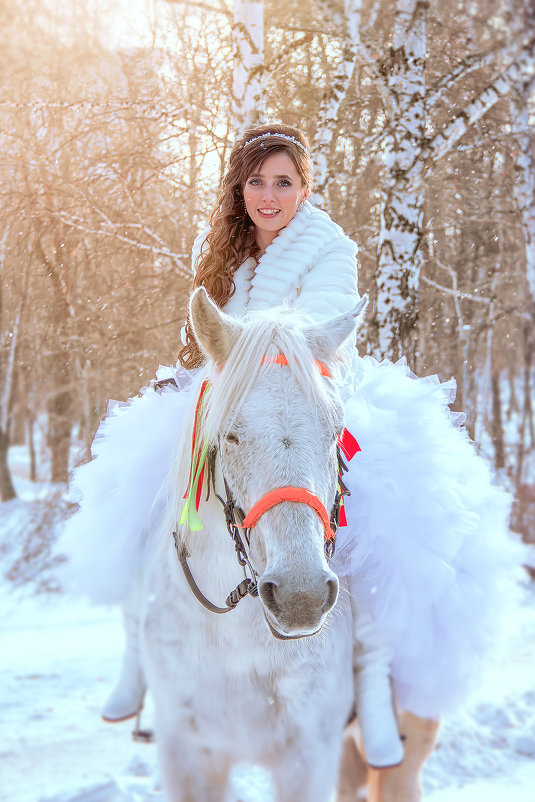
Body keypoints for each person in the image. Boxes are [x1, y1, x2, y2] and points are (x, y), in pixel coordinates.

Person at [59, 124, 521, 794]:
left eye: (283, 181)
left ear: (304, 188)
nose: (268, 195)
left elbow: (322, 324)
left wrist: (254, 353)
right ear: (238, 188)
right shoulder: (221, 250)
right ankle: (139, 654)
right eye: (256, 181)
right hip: (234, 394)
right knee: (142, 494)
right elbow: (207, 331)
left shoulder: (328, 248)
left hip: (313, 389)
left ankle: (368, 671)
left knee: (374, 529)